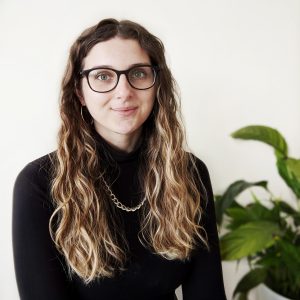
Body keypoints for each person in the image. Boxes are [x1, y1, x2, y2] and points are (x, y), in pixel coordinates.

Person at [12, 18, 227, 300]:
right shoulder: (39, 182)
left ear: (156, 83)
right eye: (103, 76)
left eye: (138, 73)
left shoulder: (189, 171)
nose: (123, 92)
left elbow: (208, 294)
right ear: (80, 91)